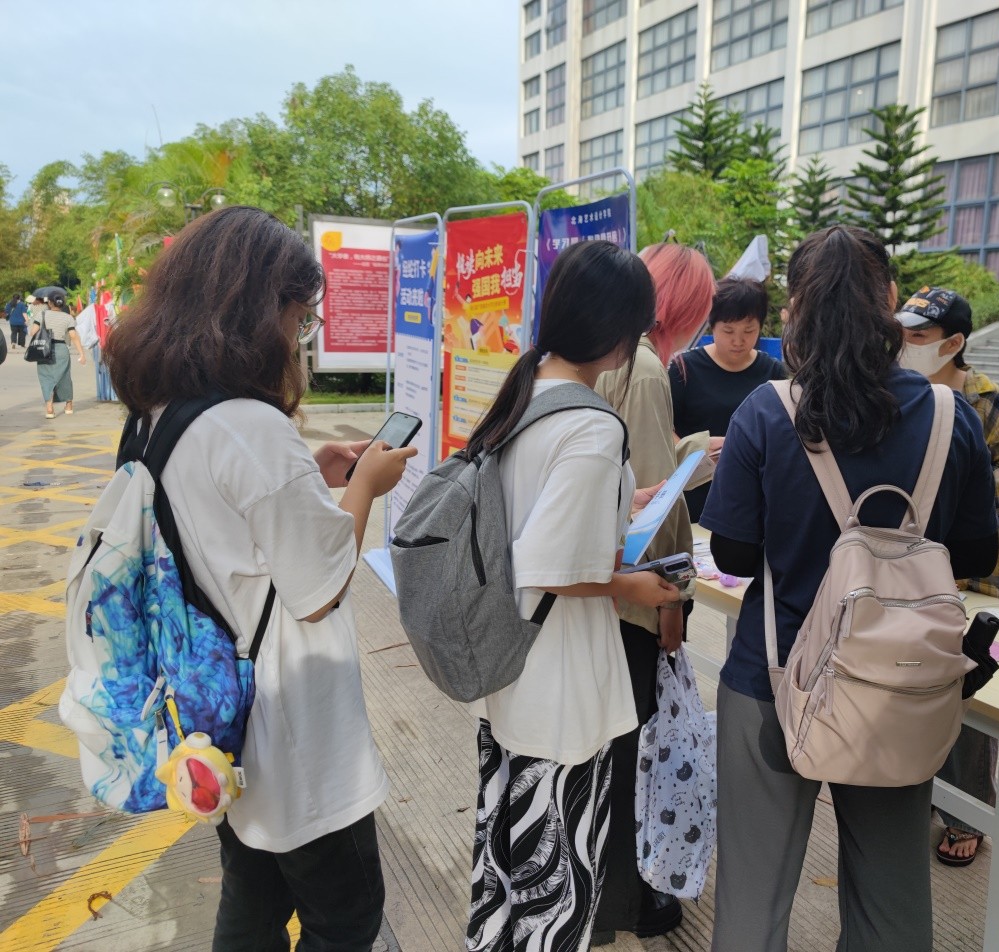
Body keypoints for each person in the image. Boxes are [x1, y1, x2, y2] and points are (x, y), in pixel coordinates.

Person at [103, 206, 417, 952]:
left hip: (216, 705)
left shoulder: (157, 414)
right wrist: (365, 486)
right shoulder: (251, 426)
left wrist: (310, 473)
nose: (298, 335)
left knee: (252, 895)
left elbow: (216, 521)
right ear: (256, 310)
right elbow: (320, 588)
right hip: (288, 713)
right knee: (346, 916)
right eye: (299, 316)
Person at [701, 226, 999, 952]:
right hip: (899, 683)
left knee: (752, 897)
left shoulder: (765, 411)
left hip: (773, 677)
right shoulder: (948, 415)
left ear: (794, 307)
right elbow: (977, 552)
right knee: (891, 898)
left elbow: (733, 553)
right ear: (889, 299)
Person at [461, 240, 681, 952]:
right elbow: (552, 564)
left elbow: (529, 514)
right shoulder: (590, 424)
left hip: (511, 667)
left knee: (508, 873)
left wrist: (622, 501)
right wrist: (636, 585)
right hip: (559, 685)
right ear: (618, 332)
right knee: (555, 896)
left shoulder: (526, 390)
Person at [592, 242, 716, 945]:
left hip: (606, 592)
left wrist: (691, 451)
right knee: (634, 753)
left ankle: (618, 891)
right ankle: (635, 897)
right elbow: (648, 505)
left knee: (616, 749)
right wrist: (671, 600)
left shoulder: (613, 359)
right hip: (636, 597)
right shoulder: (645, 370)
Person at [896, 285, 999, 868]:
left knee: (969, 694)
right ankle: (920, 788)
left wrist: (957, 487)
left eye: (918, 336)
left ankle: (967, 814)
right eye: (902, 333)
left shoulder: (985, 398)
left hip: (974, 575)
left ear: (952, 344)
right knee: (915, 683)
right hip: (911, 568)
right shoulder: (898, 391)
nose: (906, 344)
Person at [669, 277, 786, 521]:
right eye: (728, 331)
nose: (738, 341)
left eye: (749, 331)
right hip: (694, 494)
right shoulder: (684, 369)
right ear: (712, 325)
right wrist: (697, 454)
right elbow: (664, 429)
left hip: (751, 496)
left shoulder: (773, 372)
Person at [30, 291, 87, 419]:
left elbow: (33, 332)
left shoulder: (42, 314)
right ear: (63, 303)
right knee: (64, 376)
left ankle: (49, 408)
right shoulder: (68, 317)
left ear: (50, 303)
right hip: (61, 349)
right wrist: (81, 354)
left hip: (44, 350)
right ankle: (69, 405)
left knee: (46, 378)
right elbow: (73, 336)